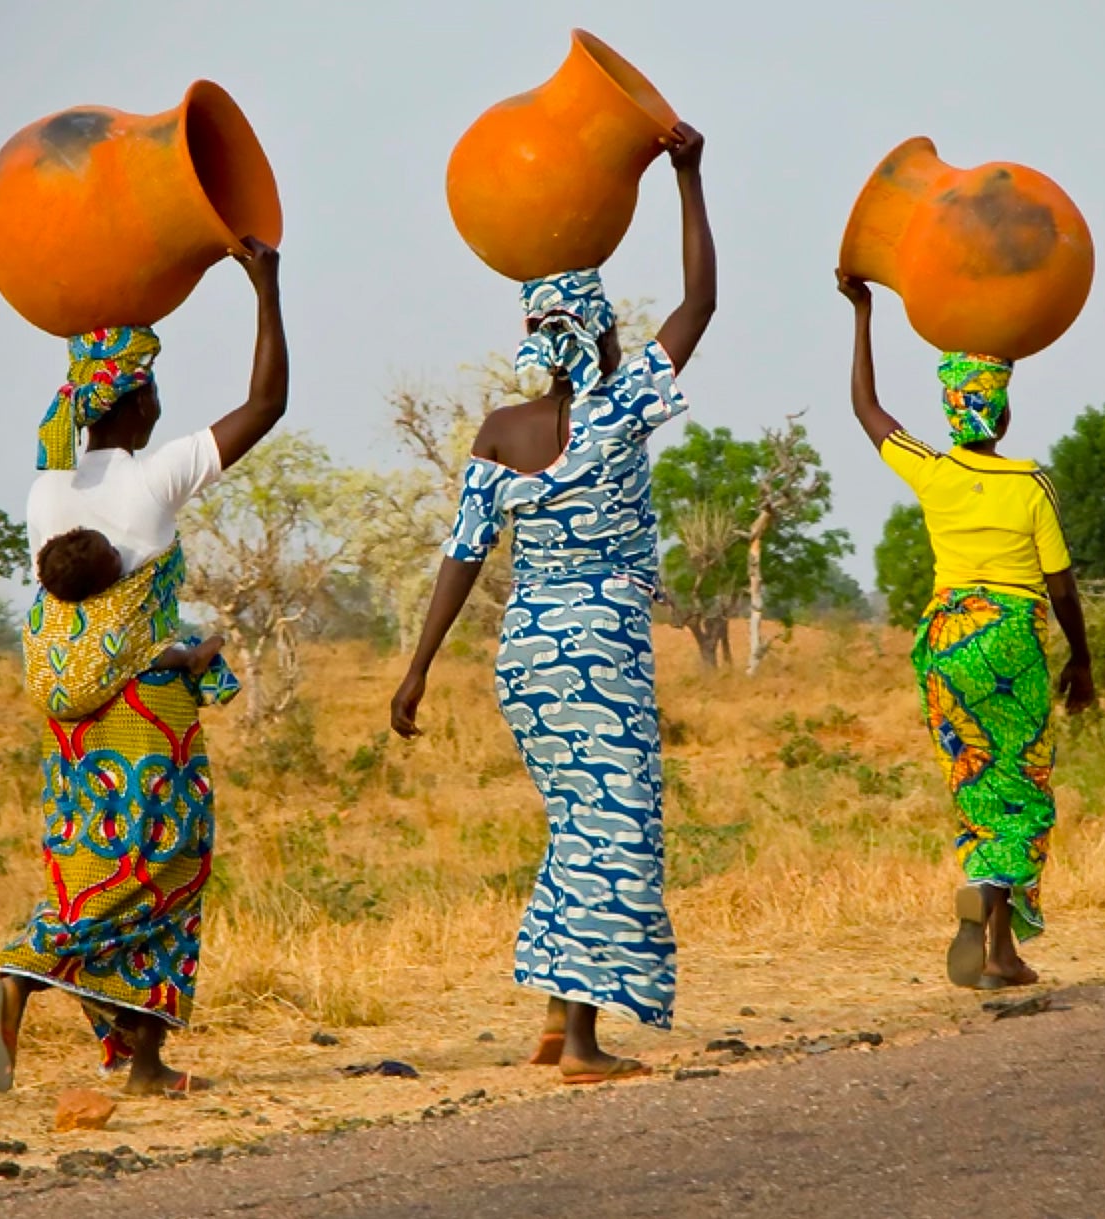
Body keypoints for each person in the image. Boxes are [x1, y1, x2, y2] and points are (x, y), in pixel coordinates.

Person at [390, 122, 714, 1083]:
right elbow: (702, 300)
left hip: (526, 649)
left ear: (537, 337)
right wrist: (688, 178)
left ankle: (550, 1018)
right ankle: (580, 1044)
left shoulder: (500, 429)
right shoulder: (622, 407)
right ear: (601, 330)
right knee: (612, 826)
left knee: (576, 817)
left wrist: (415, 669)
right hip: (601, 644)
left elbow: (460, 555)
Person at [0, 237, 287, 1096]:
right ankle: (24, 968)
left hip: (73, 726)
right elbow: (267, 401)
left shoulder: (46, 491)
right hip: (146, 718)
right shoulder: (153, 478)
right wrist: (266, 286)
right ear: (138, 404)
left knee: (92, 859)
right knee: (166, 868)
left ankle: (141, 1062)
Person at [836, 272, 1095, 990]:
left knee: (976, 781)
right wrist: (1082, 660)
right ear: (1001, 416)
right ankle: (992, 917)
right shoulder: (1028, 483)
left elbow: (865, 407)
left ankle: (998, 948)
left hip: (945, 642)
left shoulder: (932, 471)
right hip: (1009, 637)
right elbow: (1061, 585)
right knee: (1022, 788)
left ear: (952, 414)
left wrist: (863, 313)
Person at [34, 526, 225, 677]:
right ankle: (190, 659)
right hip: (93, 678)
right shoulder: (116, 615)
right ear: (99, 586)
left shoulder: (51, 612)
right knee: (140, 650)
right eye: (112, 554)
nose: (117, 550)